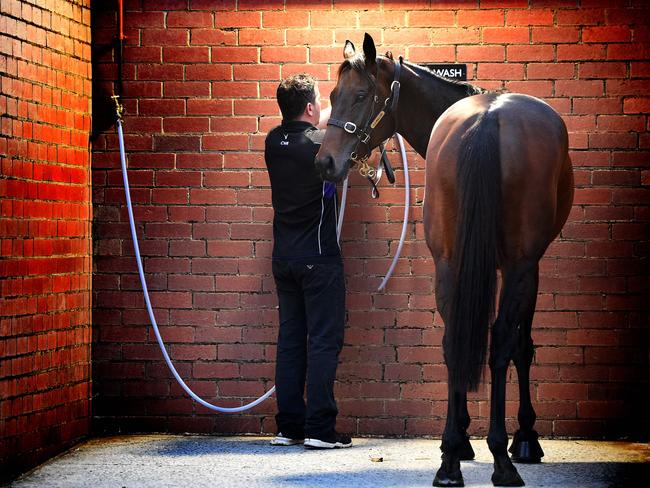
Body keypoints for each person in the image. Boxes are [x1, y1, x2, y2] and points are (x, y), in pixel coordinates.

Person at [264, 74, 351, 449]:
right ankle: (319, 429)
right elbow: (333, 140)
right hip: (318, 259)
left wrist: (321, 107)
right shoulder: (319, 145)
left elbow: (310, 124)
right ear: (311, 108)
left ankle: (288, 428)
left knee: (290, 342)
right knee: (322, 342)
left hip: (284, 258)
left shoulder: (273, 141)